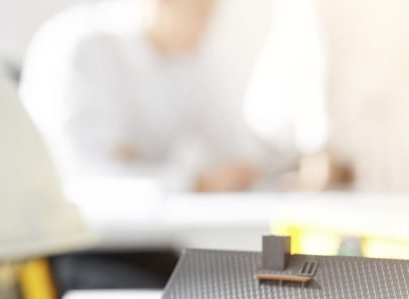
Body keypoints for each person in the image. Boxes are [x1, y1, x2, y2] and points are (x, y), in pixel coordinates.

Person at [20, 0, 266, 192]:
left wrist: (246, 169)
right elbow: (87, 173)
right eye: (199, 13)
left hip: (148, 228)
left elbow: (236, 151)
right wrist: (192, 182)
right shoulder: (77, 45)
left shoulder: (194, 61)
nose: (208, 27)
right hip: (72, 228)